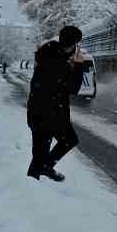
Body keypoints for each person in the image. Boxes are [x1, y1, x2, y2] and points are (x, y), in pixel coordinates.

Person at [26, 25, 87, 181]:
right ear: (72, 45)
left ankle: (38, 174)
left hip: (39, 112)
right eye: (76, 45)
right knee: (66, 141)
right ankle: (43, 169)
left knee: (40, 153)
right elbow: (73, 88)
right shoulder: (58, 62)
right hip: (50, 115)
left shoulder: (48, 52)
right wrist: (79, 65)